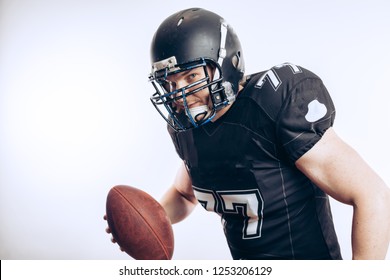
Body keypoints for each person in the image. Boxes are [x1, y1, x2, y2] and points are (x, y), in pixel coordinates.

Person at [109, 7, 390, 260]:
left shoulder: (270, 105)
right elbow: (184, 195)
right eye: (170, 83)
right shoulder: (187, 130)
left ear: (225, 65)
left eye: (191, 77)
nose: (180, 94)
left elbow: (373, 196)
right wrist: (142, 222)